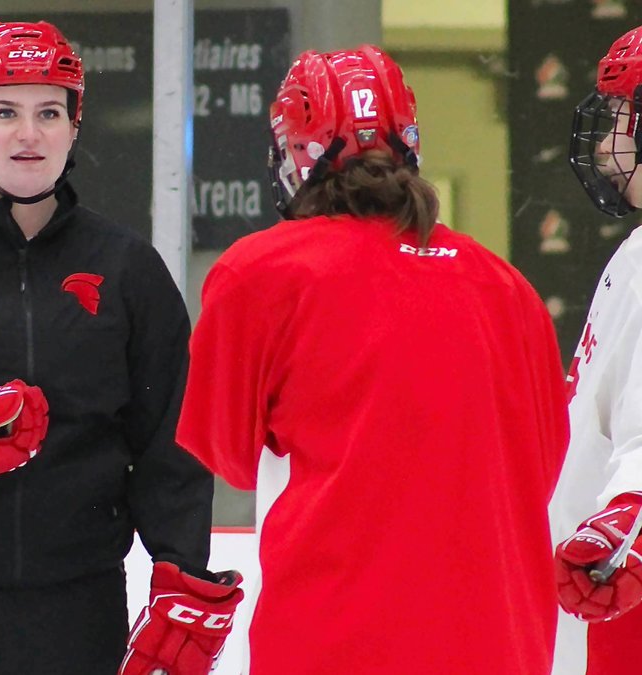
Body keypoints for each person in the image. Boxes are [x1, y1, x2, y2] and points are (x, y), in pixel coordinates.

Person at [178, 45, 569, 673]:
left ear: (293, 149)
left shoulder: (258, 272)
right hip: (502, 644)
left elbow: (226, 455)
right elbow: (542, 467)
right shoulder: (507, 286)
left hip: (332, 641)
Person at [0, 20, 241, 675]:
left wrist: (182, 572)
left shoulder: (127, 269)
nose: (29, 133)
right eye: (4, 111)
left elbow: (170, 438)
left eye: (49, 111)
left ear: (75, 125)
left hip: (77, 611)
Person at [553, 23, 642, 675]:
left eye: (620, 116)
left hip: (621, 590)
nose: (608, 145)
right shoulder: (635, 250)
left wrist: (626, 522)